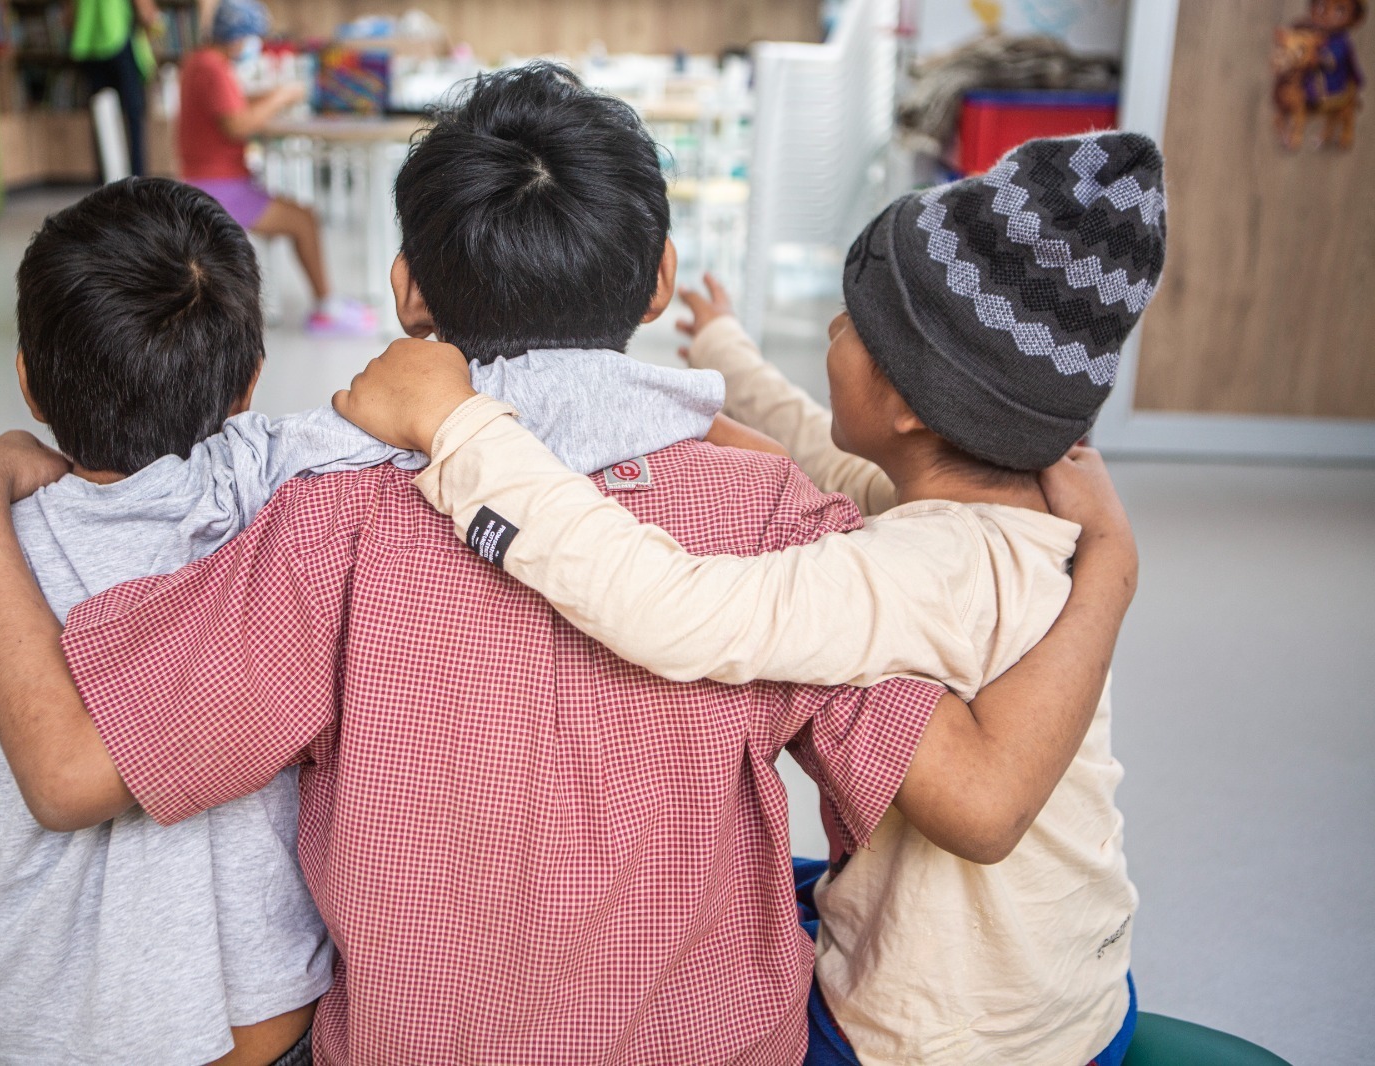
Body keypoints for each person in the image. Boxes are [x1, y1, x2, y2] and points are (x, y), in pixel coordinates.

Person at [0, 67, 1136, 1063]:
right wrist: (1105, 572)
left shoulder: (333, 521)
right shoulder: (783, 521)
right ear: (660, 280)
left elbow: (74, 770)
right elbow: (963, 790)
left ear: (408, 294)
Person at [331, 132, 1166, 1065]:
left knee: (718, 953)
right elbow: (822, 446)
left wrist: (460, 432)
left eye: (850, 326)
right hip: (1076, 976)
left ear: (908, 403)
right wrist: (718, 359)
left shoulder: (910, 570)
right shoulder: (1003, 508)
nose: (830, 336)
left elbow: (669, 604)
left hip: (944, 1026)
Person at [0, 175, 722, 1064]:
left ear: (29, 382)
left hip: (29, 1034)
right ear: (250, 381)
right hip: (261, 1038)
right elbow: (533, 408)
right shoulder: (291, 484)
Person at [178, 0, 375, 334]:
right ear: (239, 35)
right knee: (304, 219)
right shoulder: (213, 67)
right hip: (219, 189)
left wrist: (270, 95)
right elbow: (238, 125)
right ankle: (326, 307)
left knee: (300, 215)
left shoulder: (199, 61)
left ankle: (325, 302)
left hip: (204, 179)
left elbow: (232, 105)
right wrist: (281, 97)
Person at [72, 0, 157, 177]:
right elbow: (145, 13)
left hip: (89, 40)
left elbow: (67, 14)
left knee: (100, 114)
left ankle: (105, 179)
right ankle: (137, 178)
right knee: (133, 114)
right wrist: (150, 18)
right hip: (117, 36)